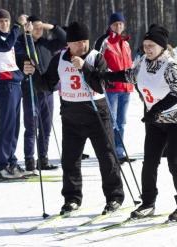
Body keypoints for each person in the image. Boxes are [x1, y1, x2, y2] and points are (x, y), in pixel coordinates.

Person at [93, 24, 177, 222]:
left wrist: (155, 109)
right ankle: (148, 203)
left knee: (175, 162)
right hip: (156, 122)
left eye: (152, 46)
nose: (147, 49)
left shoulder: (171, 65)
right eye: (145, 45)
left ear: (162, 47)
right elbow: (128, 76)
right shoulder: (142, 63)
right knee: (149, 163)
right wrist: (105, 76)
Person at [23, 22, 124, 215]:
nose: (82, 46)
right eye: (77, 43)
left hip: (97, 115)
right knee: (70, 160)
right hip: (71, 116)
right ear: (68, 44)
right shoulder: (59, 59)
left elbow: (100, 86)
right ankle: (72, 199)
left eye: (85, 41)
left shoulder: (96, 58)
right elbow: (45, 84)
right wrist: (32, 73)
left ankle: (114, 197)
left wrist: (84, 67)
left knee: (107, 157)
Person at [15, 15, 67, 171]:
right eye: (34, 27)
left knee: (46, 126)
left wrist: (48, 26)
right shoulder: (22, 43)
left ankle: (43, 159)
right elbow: (18, 56)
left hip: (48, 90)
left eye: (40, 28)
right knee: (31, 126)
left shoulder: (47, 44)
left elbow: (65, 39)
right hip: (30, 89)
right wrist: (25, 31)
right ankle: (30, 160)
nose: (38, 30)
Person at [0, 9, 29, 179]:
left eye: (6, 21)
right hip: (6, 86)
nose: (4, 24)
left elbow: (15, 51)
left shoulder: (8, 37)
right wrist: (18, 26)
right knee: (7, 127)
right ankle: (3, 165)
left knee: (14, 127)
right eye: (1, 21)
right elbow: (6, 47)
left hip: (15, 85)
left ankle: (11, 161)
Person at [94, 12, 135, 164]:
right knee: (111, 122)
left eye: (121, 24)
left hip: (126, 87)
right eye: (115, 24)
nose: (118, 26)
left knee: (121, 122)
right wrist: (103, 77)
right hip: (111, 87)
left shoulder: (126, 43)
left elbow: (129, 65)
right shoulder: (104, 41)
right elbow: (95, 60)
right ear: (110, 25)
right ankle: (108, 152)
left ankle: (119, 151)